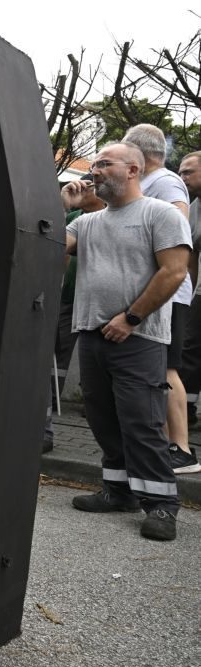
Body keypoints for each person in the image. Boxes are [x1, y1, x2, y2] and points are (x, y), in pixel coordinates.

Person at [62, 142, 189, 542]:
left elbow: (174, 272)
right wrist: (62, 205)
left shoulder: (160, 213)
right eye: (94, 163)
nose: (96, 170)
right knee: (101, 420)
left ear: (133, 169)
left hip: (139, 337)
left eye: (105, 163)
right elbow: (46, 243)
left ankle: (162, 507)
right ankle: (118, 492)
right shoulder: (86, 223)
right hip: (92, 333)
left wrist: (131, 318)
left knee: (142, 423)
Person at [122, 124, 195, 474]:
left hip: (167, 293)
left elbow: (176, 227)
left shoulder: (165, 183)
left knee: (166, 368)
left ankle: (181, 448)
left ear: (139, 152)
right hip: (155, 291)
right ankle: (167, 443)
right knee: (158, 369)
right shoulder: (153, 183)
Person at [43, 173, 105, 453]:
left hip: (100, 302)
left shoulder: (110, 216)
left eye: (88, 185)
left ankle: (96, 407)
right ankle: (51, 405)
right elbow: (57, 250)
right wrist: (64, 206)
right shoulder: (73, 219)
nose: (83, 189)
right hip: (69, 296)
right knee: (58, 351)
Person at [174, 149, 201, 473]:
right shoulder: (193, 208)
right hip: (199, 294)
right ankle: (189, 412)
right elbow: (189, 253)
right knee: (190, 352)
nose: (183, 178)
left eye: (189, 172)